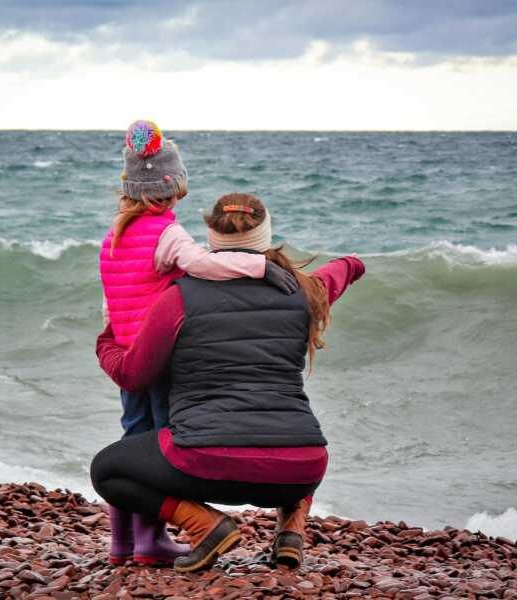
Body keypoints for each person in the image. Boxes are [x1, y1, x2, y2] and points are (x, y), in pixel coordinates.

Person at [91, 193, 365, 572]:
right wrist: (353, 263)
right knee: (299, 439)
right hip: (300, 470)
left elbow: (133, 375)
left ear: (211, 238)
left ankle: (205, 523)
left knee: (106, 470)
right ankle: (290, 529)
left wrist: (107, 342)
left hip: (205, 467)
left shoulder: (179, 297)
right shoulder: (302, 289)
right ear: (264, 235)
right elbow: (342, 271)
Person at [98, 122, 298, 566]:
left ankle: (124, 545)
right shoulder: (167, 234)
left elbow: (111, 305)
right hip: (163, 357)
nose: (173, 203)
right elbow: (202, 265)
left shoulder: (111, 239)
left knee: (132, 440)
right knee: (166, 442)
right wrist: (258, 269)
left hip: (130, 359)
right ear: (167, 192)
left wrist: (117, 346)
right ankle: (156, 539)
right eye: (172, 194)